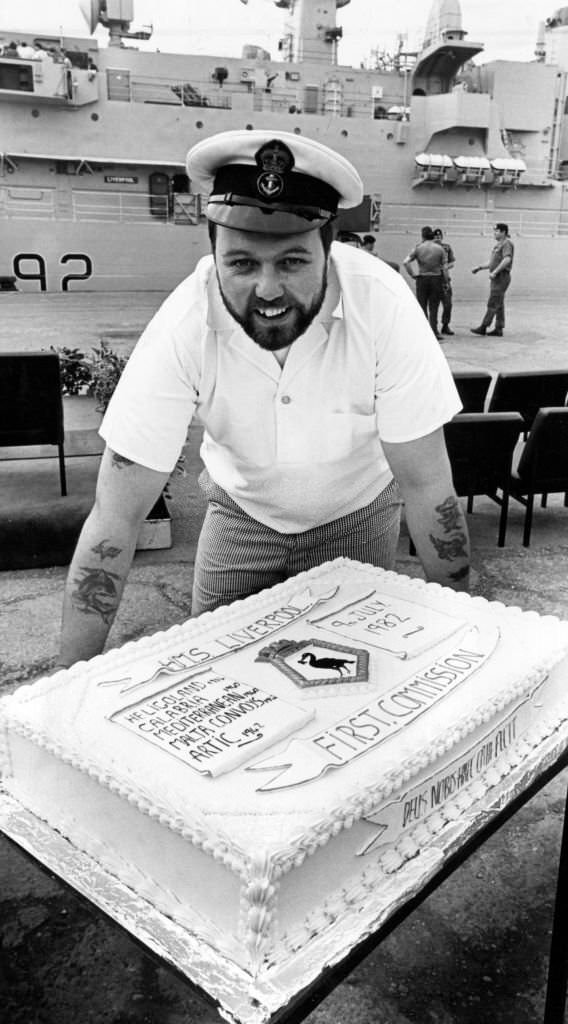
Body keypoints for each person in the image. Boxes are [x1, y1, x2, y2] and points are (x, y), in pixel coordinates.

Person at [55, 129, 469, 669]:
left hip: (359, 516)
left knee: (360, 681)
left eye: (293, 262)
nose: (268, 290)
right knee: (219, 675)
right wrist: (64, 683)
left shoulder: (384, 307)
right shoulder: (184, 326)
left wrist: (472, 640)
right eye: (242, 264)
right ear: (214, 253)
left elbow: (429, 488)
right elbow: (115, 517)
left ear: (331, 249)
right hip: (240, 518)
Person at [402, 226, 448, 339]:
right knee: (434, 307)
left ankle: (423, 332)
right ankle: (434, 331)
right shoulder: (440, 249)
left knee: (422, 306)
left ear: (422, 236)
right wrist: (446, 282)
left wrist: (413, 275)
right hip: (436, 279)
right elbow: (445, 269)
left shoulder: (418, 248)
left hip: (422, 278)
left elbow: (406, 262)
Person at [471, 223, 514, 337]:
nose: (494, 233)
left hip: (501, 277)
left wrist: (495, 272)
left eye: (497, 231)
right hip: (497, 277)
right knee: (499, 302)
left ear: (503, 232)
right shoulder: (498, 245)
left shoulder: (506, 243)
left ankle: (483, 326)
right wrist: (479, 267)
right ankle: (499, 328)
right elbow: (492, 263)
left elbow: (507, 259)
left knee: (493, 302)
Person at [433, 228, 455, 335]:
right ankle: (434, 326)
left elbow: (452, 263)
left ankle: (445, 325)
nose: (437, 239)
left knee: (448, 304)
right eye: (435, 237)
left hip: (445, 279)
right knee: (434, 304)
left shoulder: (447, 247)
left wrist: (445, 267)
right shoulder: (430, 248)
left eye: (439, 237)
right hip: (434, 278)